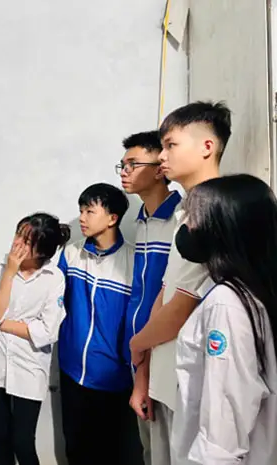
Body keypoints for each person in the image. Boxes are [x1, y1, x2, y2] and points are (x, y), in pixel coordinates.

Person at [128, 101, 232, 465]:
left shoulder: (215, 212)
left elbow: (181, 307)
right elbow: (166, 289)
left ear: (207, 147)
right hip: (164, 378)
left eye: (171, 145)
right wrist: (144, 370)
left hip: (193, 387)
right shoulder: (185, 211)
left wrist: (137, 343)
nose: (162, 156)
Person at [171, 174, 277, 465]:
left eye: (192, 217)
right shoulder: (251, 291)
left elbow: (224, 423)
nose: (185, 226)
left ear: (221, 227)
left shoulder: (227, 303)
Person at [0, 213, 69, 465]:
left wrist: (1, 325)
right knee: (0, 436)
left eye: (28, 241)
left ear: (43, 251)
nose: (17, 243)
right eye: (19, 234)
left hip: (30, 366)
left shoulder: (54, 278)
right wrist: (9, 273)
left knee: (22, 440)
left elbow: (48, 331)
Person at [57, 183, 139, 465]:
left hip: (114, 378)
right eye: (81, 211)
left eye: (89, 211)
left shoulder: (133, 262)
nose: (81, 218)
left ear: (112, 218)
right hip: (72, 372)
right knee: (77, 450)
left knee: (115, 453)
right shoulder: (71, 254)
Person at [118, 130, 182, 464]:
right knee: (150, 449)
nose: (124, 172)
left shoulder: (180, 219)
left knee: (170, 449)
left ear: (159, 168)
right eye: (122, 165)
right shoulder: (141, 220)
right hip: (139, 347)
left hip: (165, 349)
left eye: (133, 164)